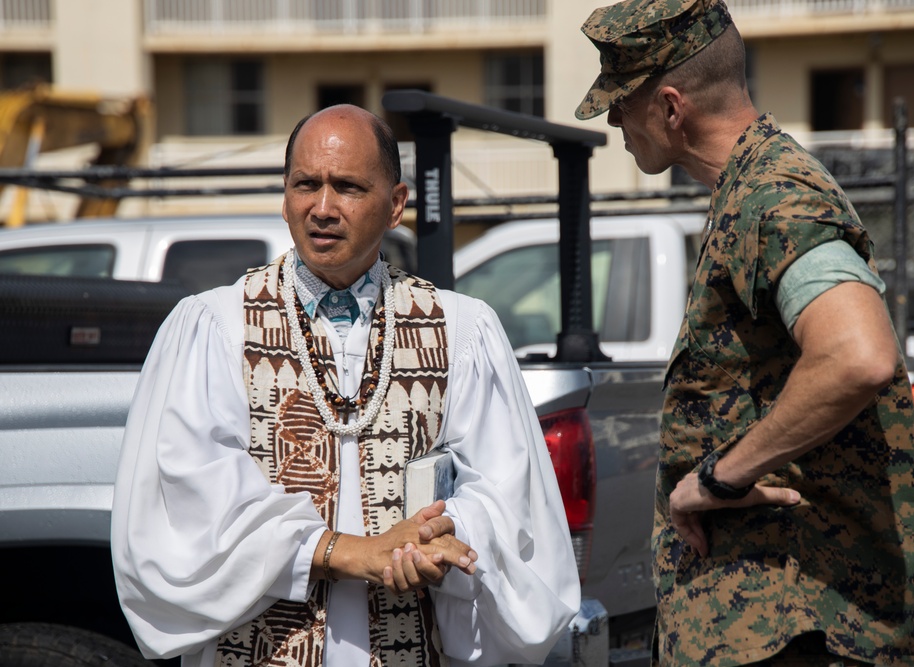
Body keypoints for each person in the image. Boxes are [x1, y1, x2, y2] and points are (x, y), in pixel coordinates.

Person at [111, 104, 580, 667]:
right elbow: (192, 494)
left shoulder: (461, 328)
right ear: (285, 198)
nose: (323, 208)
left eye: (349, 187)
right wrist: (344, 553)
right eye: (306, 184)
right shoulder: (217, 326)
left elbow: (508, 491)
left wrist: (438, 535)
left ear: (397, 205)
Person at [575, 0, 914, 665]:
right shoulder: (748, 191)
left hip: (802, 627)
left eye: (622, 102)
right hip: (772, 621)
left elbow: (858, 354)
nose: (617, 121)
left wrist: (719, 477)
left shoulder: (777, 196)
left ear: (672, 107)